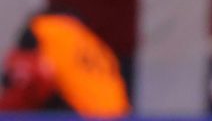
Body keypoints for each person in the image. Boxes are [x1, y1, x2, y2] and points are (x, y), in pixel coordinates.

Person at [0, 9, 130, 117]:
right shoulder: (91, 40)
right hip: (121, 114)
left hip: (81, 113)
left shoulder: (42, 27)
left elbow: (19, 72)